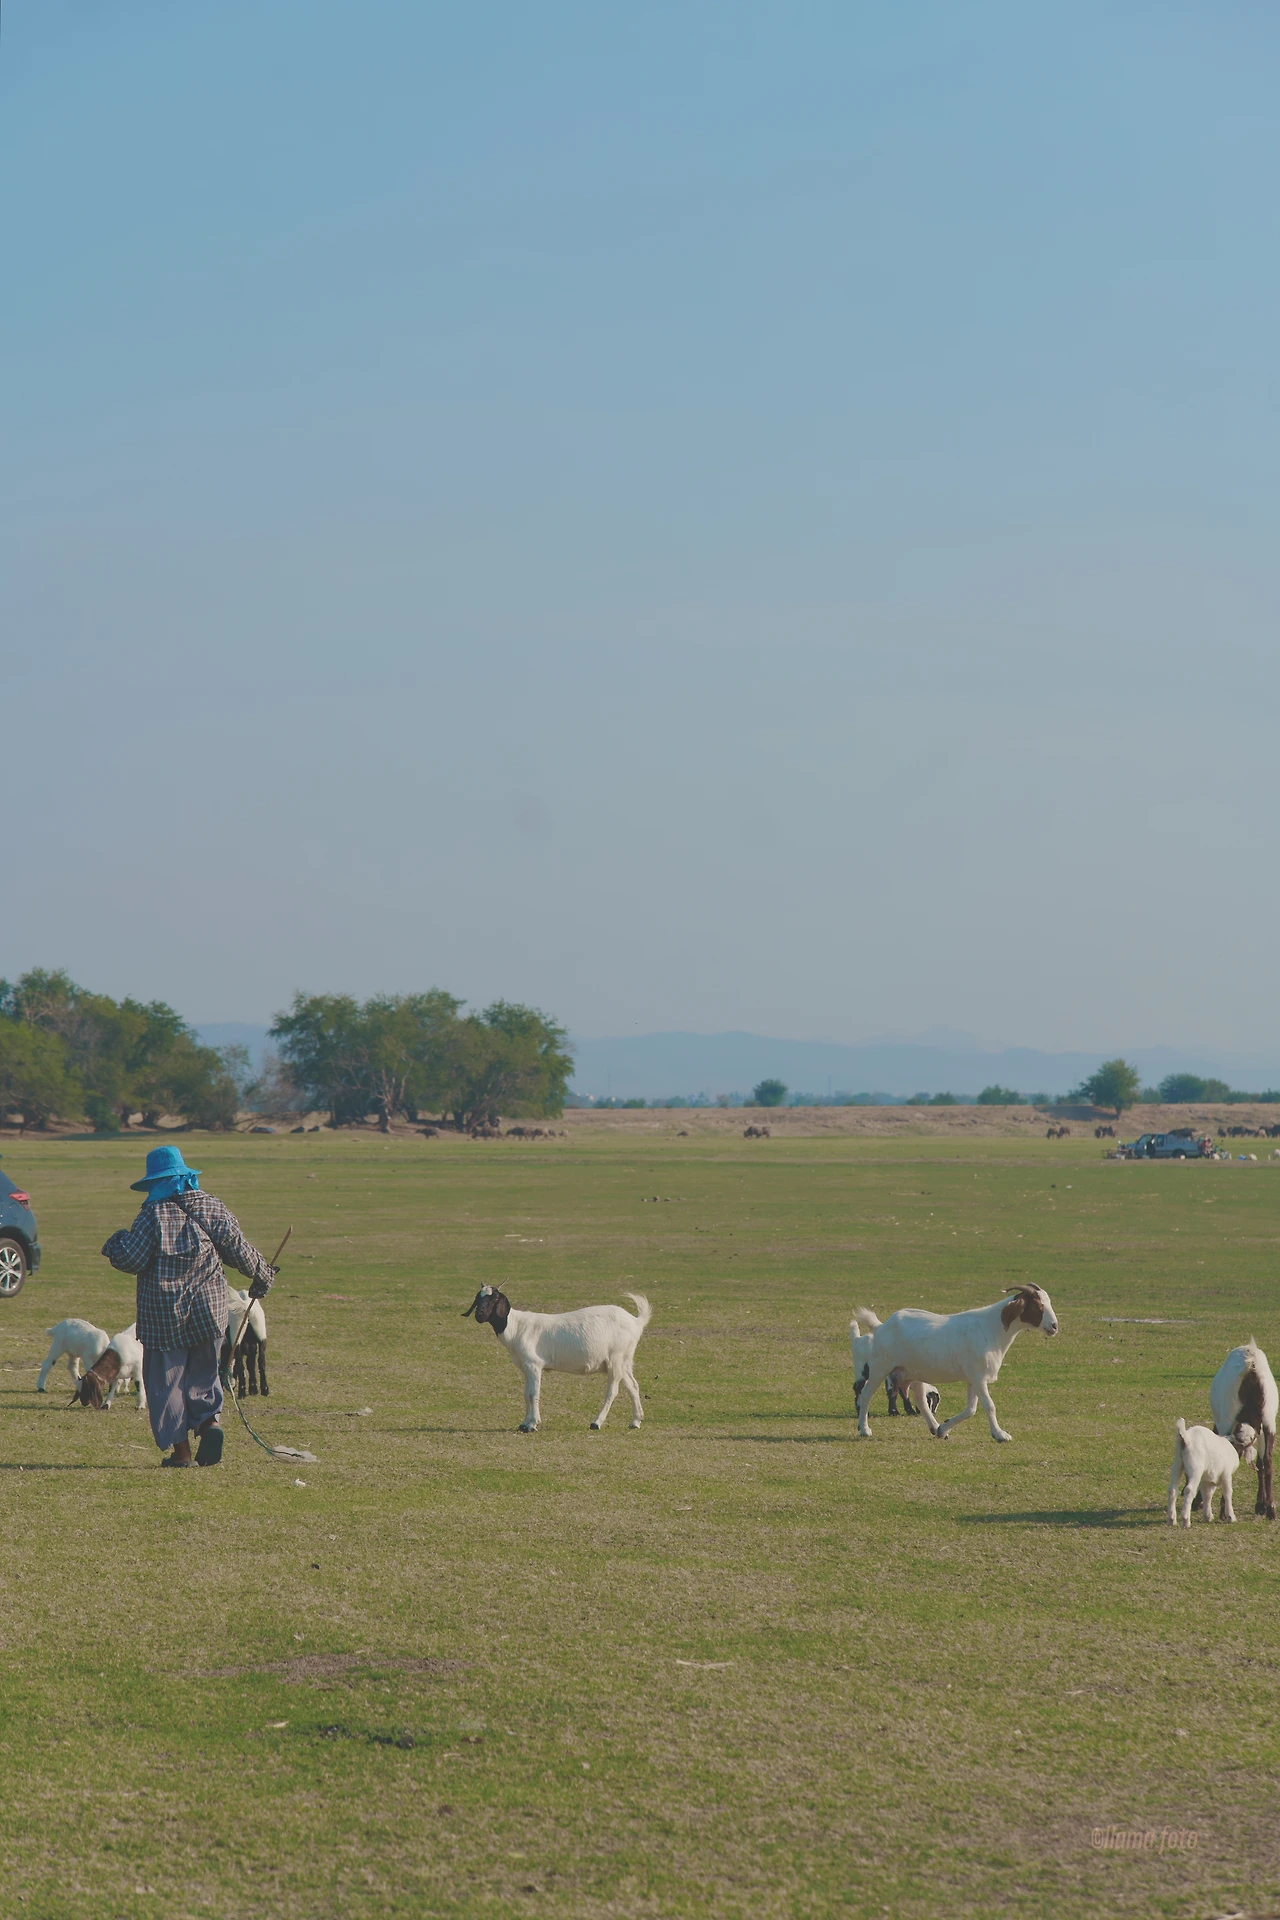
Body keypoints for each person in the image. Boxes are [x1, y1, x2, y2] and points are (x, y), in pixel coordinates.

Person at [101, 1144, 277, 1467]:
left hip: (163, 1317)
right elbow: (239, 1248)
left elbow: (132, 1258)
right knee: (205, 1375)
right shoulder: (212, 1206)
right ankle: (210, 1424)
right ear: (185, 1176)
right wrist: (262, 1276)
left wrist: (114, 1243)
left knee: (166, 1384)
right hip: (209, 1312)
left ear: (156, 1182)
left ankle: (181, 1454)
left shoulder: (151, 1215)